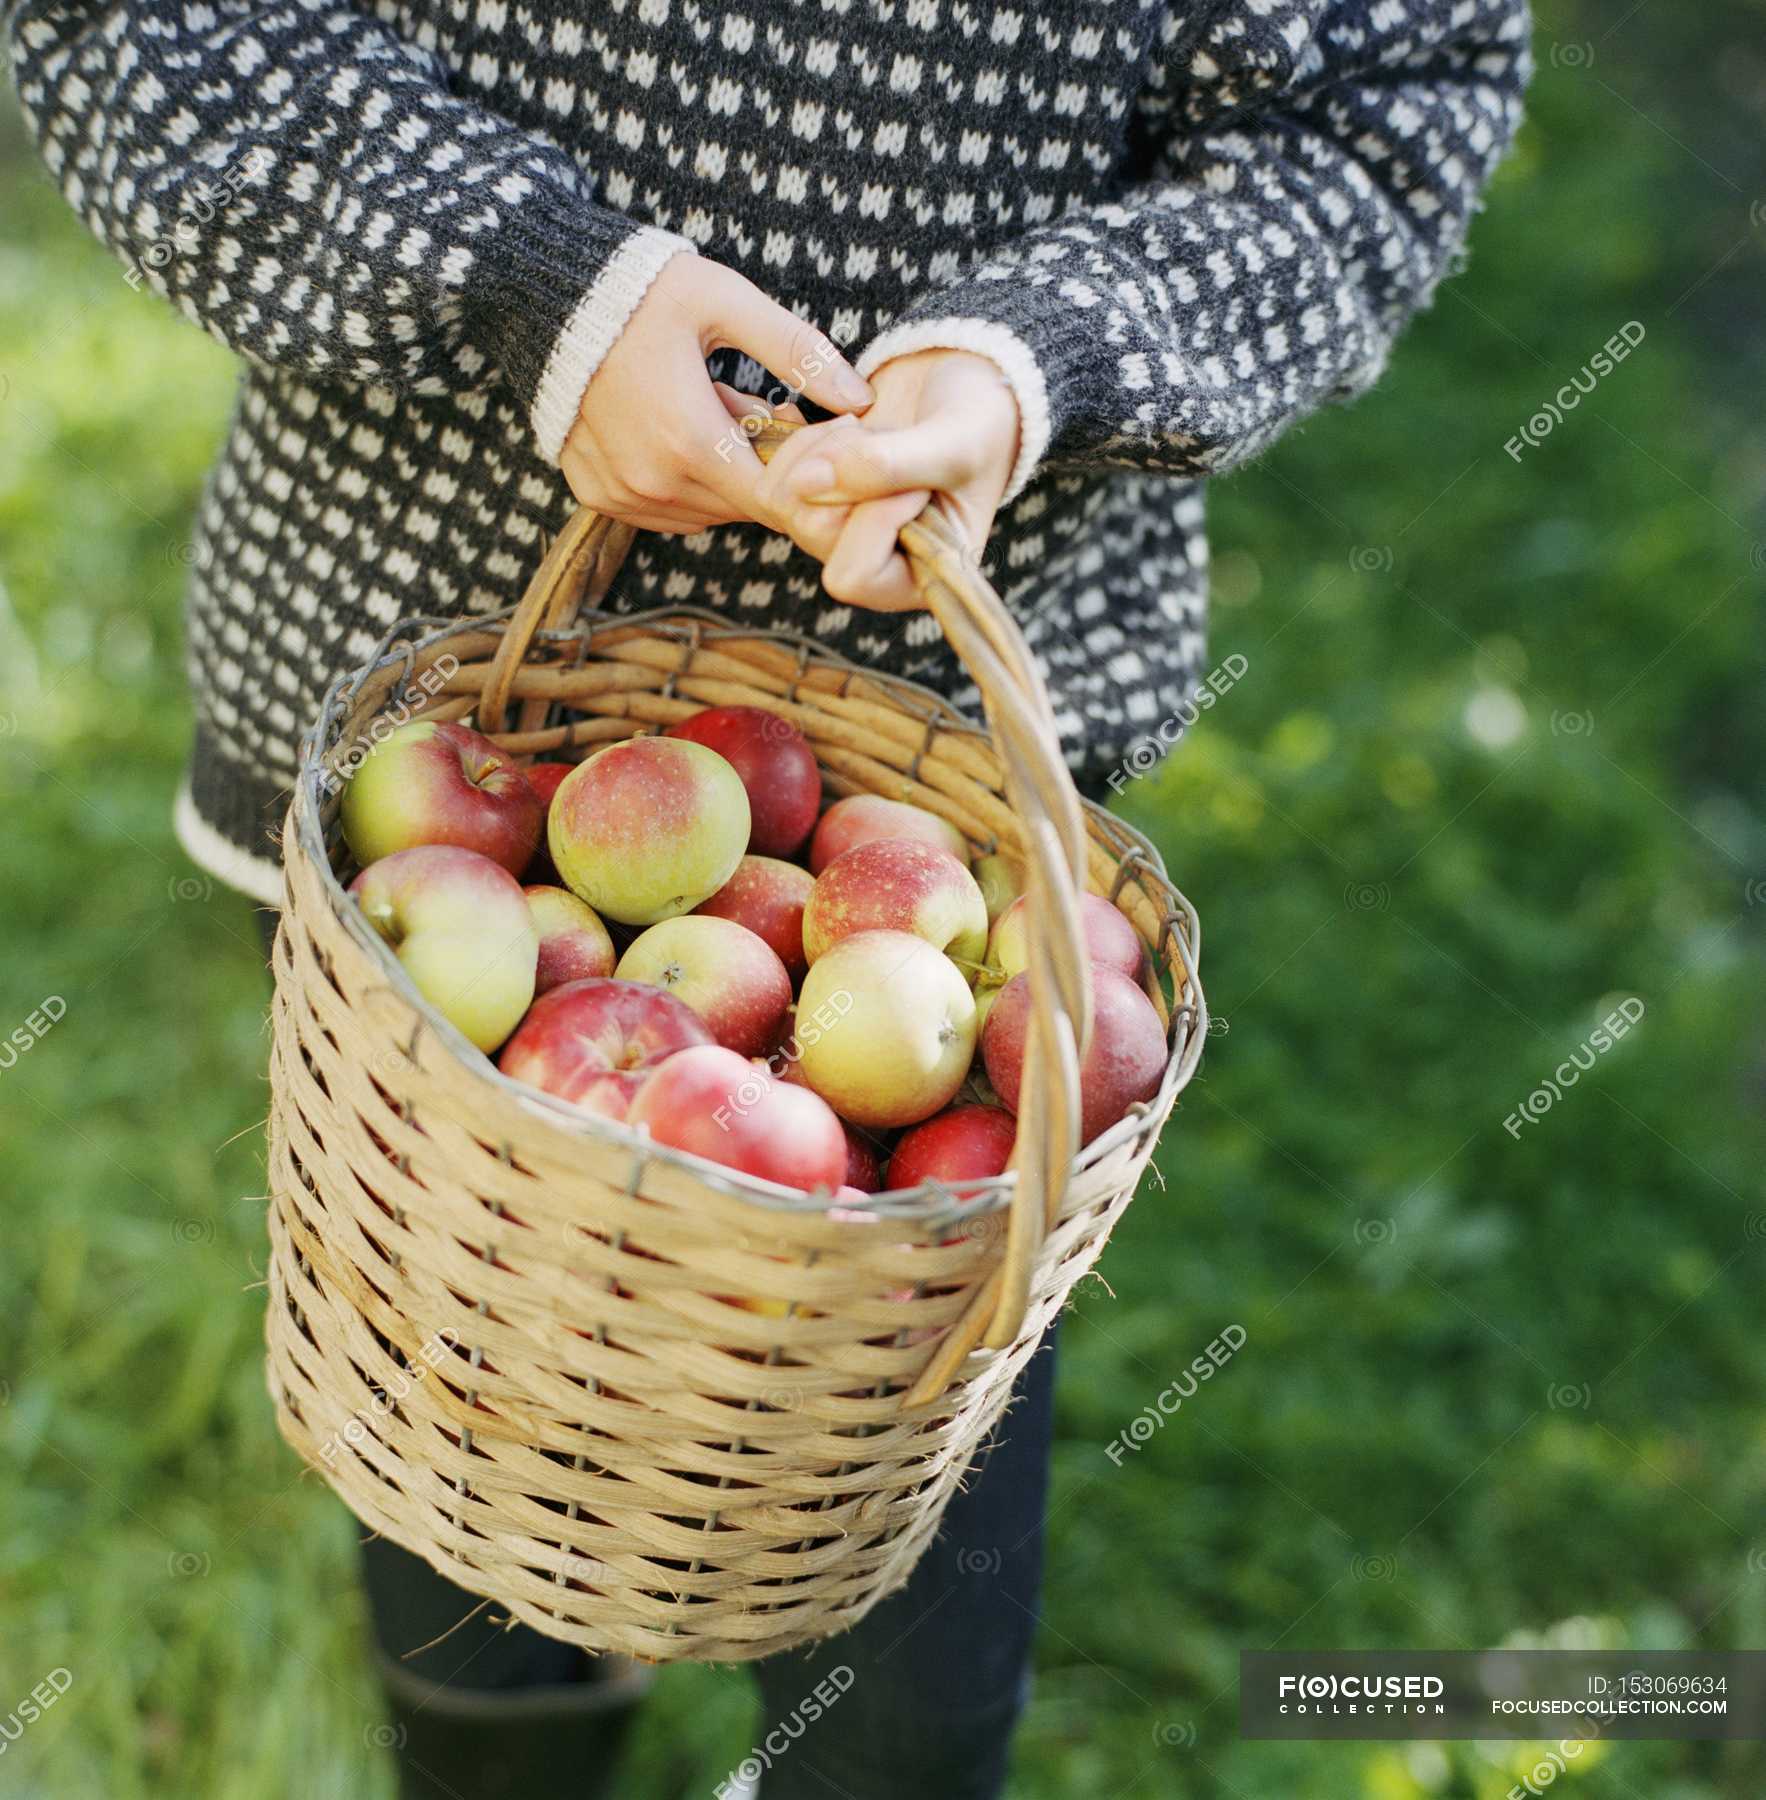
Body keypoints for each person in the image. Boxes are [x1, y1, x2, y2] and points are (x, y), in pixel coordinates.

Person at [10, 0, 1529, 1792]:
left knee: (896, 1494)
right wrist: (524, 278)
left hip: (947, 813)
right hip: (450, 730)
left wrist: (1040, 359)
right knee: (480, 1381)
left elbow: (1382, 103)